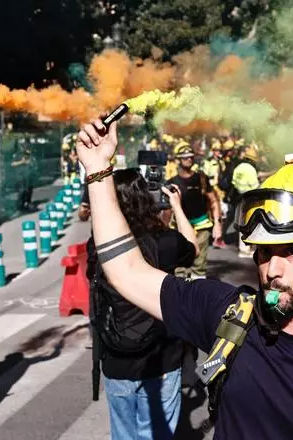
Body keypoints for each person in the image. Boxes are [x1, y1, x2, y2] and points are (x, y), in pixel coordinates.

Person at [76, 120, 293, 440]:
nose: (272, 270)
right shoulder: (228, 316)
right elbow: (128, 272)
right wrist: (97, 171)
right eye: (264, 252)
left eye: (291, 251)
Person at [88, 169, 197, 440]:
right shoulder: (166, 242)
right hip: (162, 358)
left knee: (124, 435)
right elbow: (192, 248)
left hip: (116, 358)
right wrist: (176, 207)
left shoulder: (97, 245)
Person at [167, 143, 223, 279]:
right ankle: (180, 293)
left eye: (191, 157)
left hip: (202, 226)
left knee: (199, 266)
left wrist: (217, 224)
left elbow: (214, 201)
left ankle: (198, 293)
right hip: (179, 228)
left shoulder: (201, 179)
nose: (189, 159)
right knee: (179, 266)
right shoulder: (171, 182)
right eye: (185, 157)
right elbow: (168, 210)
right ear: (178, 160)